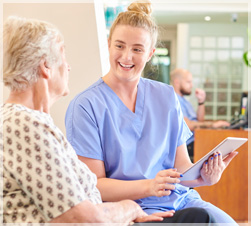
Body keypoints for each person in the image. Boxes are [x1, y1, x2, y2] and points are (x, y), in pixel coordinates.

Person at [1, 16, 213, 225]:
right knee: (203, 220)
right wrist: (130, 208)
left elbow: (79, 202)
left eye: (137, 49)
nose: (68, 67)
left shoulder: (33, 123)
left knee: (204, 217)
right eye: (63, 57)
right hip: (112, 217)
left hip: (121, 215)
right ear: (45, 66)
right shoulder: (25, 125)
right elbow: (79, 217)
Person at [65, 0, 237, 224]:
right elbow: (94, 184)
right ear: (108, 44)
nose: (127, 57)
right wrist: (149, 186)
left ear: (150, 53)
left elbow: (181, 169)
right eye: (119, 46)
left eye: (137, 49)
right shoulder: (85, 106)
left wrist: (204, 178)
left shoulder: (166, 96)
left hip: (181, 201)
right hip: (130, 210)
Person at [170, 68, 230, 158]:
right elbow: (188, 125)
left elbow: (199, 121)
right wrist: (213, 125)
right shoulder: (173, 100)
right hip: (187, 146)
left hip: (196, 140)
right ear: (177, 82)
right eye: (188, 82)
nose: (192, 85)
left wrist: (201, 101)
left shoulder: (185, 101)